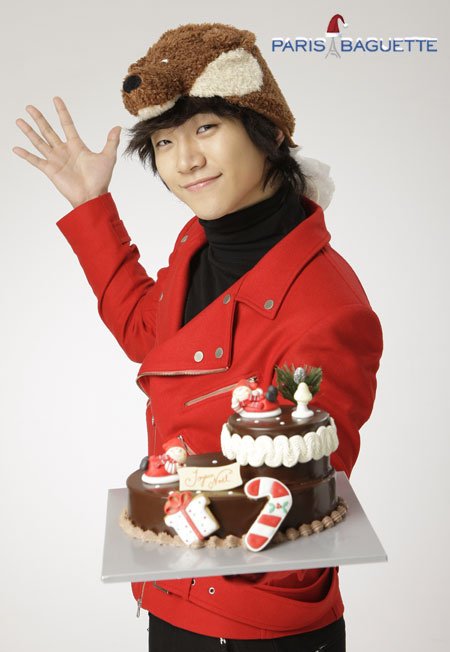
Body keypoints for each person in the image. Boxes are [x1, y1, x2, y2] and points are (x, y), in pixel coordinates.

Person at [13, 21, 383, 652]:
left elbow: (303, 492)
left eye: (206, 127)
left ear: (269, 130)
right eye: (164, 141)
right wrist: (90, 206)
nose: (184, 160)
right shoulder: (198, 245)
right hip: (171, 592)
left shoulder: (329, 309)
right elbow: (149, 333)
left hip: (258, 619)